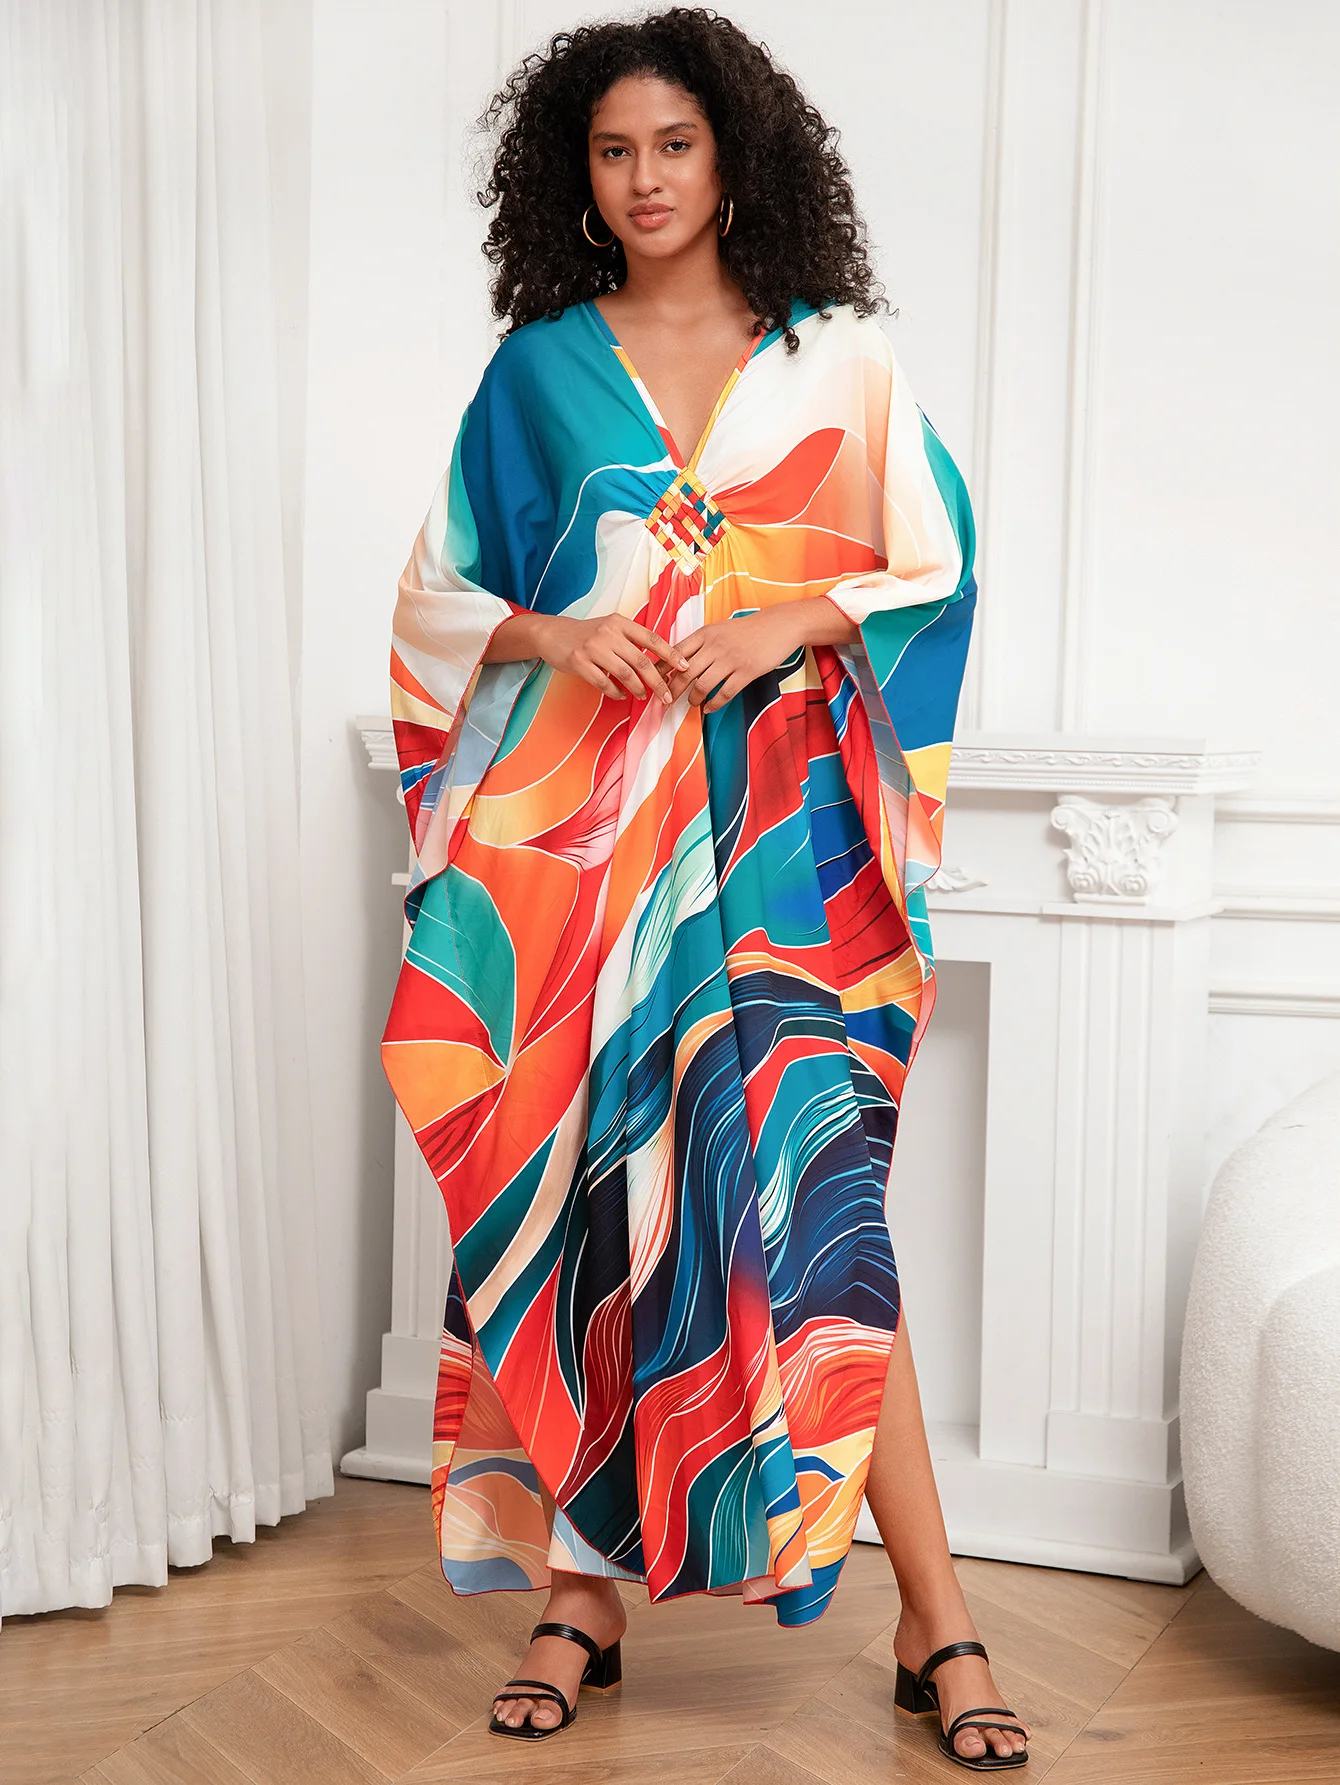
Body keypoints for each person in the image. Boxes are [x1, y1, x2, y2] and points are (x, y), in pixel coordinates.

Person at [381, 8, 1029, 1771]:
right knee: (594, 1198)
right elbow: (438, 592)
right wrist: (555, 634)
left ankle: (937, 1615)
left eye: (673, 143)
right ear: (576, 174)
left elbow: (941, 566)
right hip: (588, 852)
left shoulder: (840, 364)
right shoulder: (537, 372)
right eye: (614, 151)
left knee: (820, 1218)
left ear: (733, 152)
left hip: (790, 852)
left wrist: (792, 618)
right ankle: (578, 1600)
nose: (646, 178)